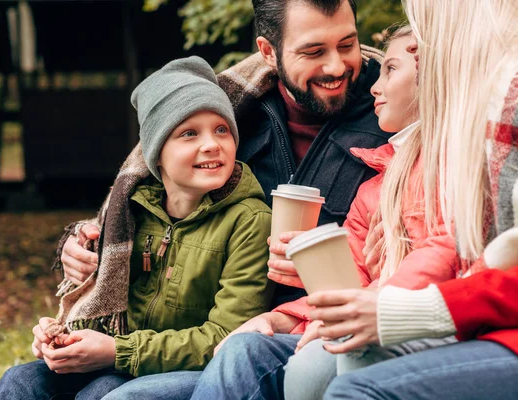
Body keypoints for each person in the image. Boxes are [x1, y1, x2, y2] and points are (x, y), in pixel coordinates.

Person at [58, 0, 390, 310]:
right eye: (313, 51)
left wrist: (338, 263)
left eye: (347, 45)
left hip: (324, 325)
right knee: (26, 376)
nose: (336, 66)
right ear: (268, 52)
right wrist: (85, 241)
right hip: (217, 323)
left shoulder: (397, 111)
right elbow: (155, 202)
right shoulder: (233, 113)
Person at [189, 24, 458, 400]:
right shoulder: (375, 185)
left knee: (308, 364)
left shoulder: (456, 163)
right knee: (239, 349)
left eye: (390, 69)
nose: (375, 86)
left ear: (436, 74)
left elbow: (446, 248)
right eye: (313, 51)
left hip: (415, 324)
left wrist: (372, 300)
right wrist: (279, 318)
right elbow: (349, 277)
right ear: (269, 51)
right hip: (353, 321)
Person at [0, 56, 274, 400]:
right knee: (20, 382)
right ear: (156, 154)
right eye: (189, 133)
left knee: (100, 393)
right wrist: (60, 338)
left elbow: (227, 335)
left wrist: (117, 351)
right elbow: (95, 300)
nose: (212, 144)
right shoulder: (130, 210)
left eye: (222, 130)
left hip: (187, 368)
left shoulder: (249, 220)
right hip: (119, 353)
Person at [296, 0, 518, 398]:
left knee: (344, 376)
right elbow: (352, 264)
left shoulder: (491, 117)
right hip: (470, 314)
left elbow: (451, 250)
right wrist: (288, 317)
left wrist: (387, 304)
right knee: (258, 353)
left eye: (423, 31)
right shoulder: (381, 176)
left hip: (480, 322)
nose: (374, 85)